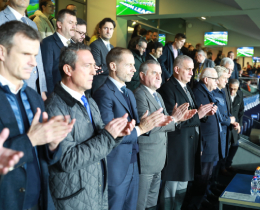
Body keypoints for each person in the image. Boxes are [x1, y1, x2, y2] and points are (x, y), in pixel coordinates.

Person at [45, 43, 135, 209]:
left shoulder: (89, 100)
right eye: (88, 66)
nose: (94, 71)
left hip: (96, 190)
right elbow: (67, 160)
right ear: (68, 69)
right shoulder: (54, 107)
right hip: (74, 199)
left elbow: (103, 140)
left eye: (94, 66)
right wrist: (109, 135)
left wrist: (117, 134)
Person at [0, 20, 75, 210]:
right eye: (25, 54)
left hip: (39, 201)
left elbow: (44, 157)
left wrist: (52, 144)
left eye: (35, 55)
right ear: (2, 52)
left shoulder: (33, 97)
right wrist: (30, 140)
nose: (33, 63)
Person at [93, 47, 172, 210]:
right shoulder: (104, 93)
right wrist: (141, 128)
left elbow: (137, 125)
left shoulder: (128, 92)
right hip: (116, 164)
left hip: (134, 161)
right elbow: (109, 135)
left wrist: (144, 124)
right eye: (129, 65)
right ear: (113, 66)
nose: (134, 69)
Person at [134, 60, 197, 210]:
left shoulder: (157, 95)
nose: (158, 76)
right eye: (154, 73)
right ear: (142, 75)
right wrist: (174, 119)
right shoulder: (139, 95)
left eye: (160, 73)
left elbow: (166, 121)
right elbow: (149, 126)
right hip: (146, 160)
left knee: (152, 204)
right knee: (141, 204)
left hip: (159, 159)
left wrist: (177, 118)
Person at [158, 55, 216, 210]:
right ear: (177, 69)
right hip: (177, 147)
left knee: (181, 190)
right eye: (188, 69)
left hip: (188, 145)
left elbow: (193, 114)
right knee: (171, 190)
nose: (192, 73)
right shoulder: (168, 89)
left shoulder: (187, 87)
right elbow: (175, 120)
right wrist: (199, 115)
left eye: (192, 69)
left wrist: (204, 114)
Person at [0, 0, 47, 100]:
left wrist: (42, 89)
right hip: (9, 93)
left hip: (34, 91)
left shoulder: (32, 24)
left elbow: (38, 59)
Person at [191, 68, 220, 210]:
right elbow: (198, 121)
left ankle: (201, 200)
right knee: (201, 178)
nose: (217, 81)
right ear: (206, 79)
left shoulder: (206, 92)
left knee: (206, 177)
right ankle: (196, 204)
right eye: (215, 78)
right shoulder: (198, 92)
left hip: (210, 142)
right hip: (204, 143)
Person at [211, 66, 239, 194]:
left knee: (217, 166)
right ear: (217, 78)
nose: (227, 82)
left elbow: (227, 113)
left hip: (224, 134)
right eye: (225, 78)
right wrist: (230, 120)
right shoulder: (213, 93)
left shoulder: (222, 92)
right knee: (210, 169)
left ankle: (213, 186)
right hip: (215, 135)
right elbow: (218, 116)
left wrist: (234, 122)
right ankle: (207, 193)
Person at [41, 9, 77, 95]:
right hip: (56, 95)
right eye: (70, 22)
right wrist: (51, 97)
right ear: (59, 24)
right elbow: (47, 73)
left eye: (75, 23)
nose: (74, 26)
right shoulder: (47, 43)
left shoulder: (75, 45)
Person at [90, 17, 116, 94]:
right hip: (100, 85)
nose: (108, 31)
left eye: (111, 29)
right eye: (106, 28)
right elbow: (97, 68)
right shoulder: (95, 45)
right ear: (99, 30)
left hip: (110, 84)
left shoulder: (112, 47)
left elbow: (104, 66)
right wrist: (114, 66)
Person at [225, 79, 244, 172]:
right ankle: (223, 167)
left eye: (235, 89)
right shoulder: (224, 94)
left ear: (238, 88)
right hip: (225, 124)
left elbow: (241, 111)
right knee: (225, 148)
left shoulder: (240, 94)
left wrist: (239, 124)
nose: (232, 91)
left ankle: (228, 164)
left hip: (235, 126)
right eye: (230, 88)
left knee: (235, 145)